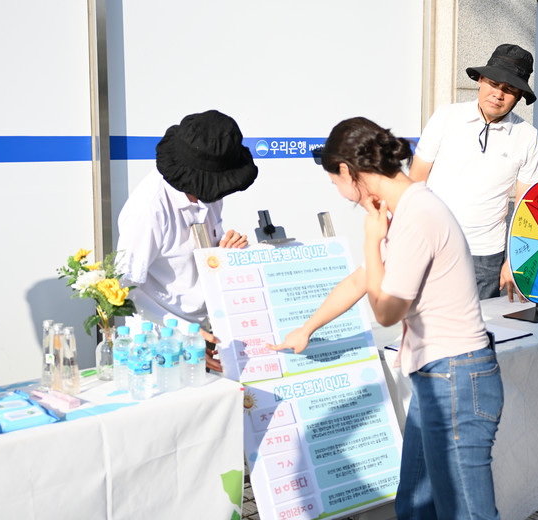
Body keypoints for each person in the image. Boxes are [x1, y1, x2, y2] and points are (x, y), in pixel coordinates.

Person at [270, 117, 503, 519]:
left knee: (467, 513)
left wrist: (371, 239)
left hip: (456, 377)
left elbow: (386, 311)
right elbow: (360, 280)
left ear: (348, 171)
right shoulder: (405, 209)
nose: (338, 191)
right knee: (414, 504)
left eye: (334, 181)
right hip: (440, 375)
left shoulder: (416, 216)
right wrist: (306, 330)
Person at [116, 109, 258, 371]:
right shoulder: (148, 210)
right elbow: (124, 291)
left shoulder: (209, 194)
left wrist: (223, 255)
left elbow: (197, 256)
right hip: (158, 341)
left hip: (205, 329)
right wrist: (185, 335)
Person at [409, 43, 538, 301]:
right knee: (426, 321)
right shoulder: (446, 117)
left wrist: (515, 260)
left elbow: (526, 206)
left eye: (509, 89)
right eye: (493, 83)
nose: (498, 94)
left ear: (519, 96)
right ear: (480, 80)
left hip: (486, 255)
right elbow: (415, 181)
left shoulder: (527, 136)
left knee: (481, 324)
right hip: (433, 243)